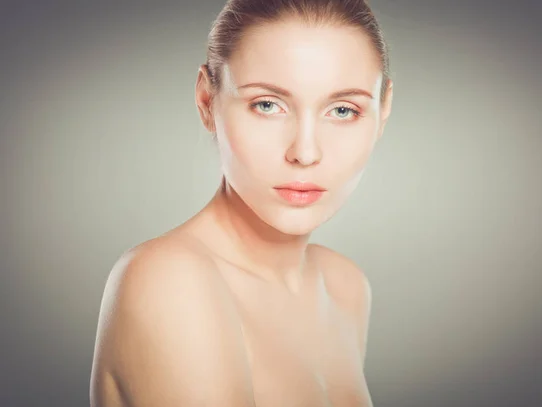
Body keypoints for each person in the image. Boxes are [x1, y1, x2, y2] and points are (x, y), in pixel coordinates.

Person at [90, 0, 393, 405]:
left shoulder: (345, 286)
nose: (304, 152)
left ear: (383, 112)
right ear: (206, 101)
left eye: (342, 110)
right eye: (267, 104)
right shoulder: (168, 280)